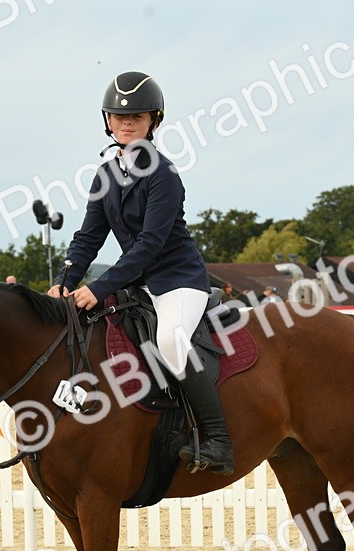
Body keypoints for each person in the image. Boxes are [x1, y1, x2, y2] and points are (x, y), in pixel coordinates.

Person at [48, 71, 233, 475]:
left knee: (170, 340)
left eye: (136, 117)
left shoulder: (164, 174)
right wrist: (65, 279)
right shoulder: (105, 175)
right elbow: (88, 236)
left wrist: (99, 286)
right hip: (137, 283)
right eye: (118, 116)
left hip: (177, 281)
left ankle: (218, 439)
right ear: (107, 121)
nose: (126, 123)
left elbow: (150, 243)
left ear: (154, 121)